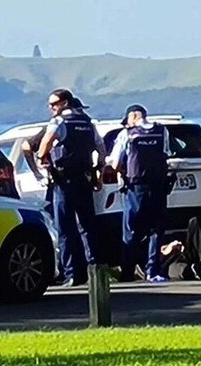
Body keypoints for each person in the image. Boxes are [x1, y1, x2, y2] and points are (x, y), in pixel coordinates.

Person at [37, 89, 106, 286]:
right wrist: (97, 173)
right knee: (87, 226)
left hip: (64, 179)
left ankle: (72, 274)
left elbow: (45, 145)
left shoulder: (59, 122)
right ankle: (95, 271)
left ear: (65, 103)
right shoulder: (87, 123)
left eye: (54, 104)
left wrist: (43, 162)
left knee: (65, 229)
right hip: (83, 178)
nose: (51, 108)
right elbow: (101, 150)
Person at [108, 104, 170, 283]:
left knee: (131, 231)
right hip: (158, 187)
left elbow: (114, 163)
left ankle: (128, 272)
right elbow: (166, 155)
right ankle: (153, 270)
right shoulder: (161, 131)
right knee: (156, 230)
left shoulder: (126, 134)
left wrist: (122, 173)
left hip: (135, 188)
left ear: (133, 116)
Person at [21, 97, 90, 216]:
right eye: (78, 110)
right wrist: (38, 171)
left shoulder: (76, 125)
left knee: (66, 219)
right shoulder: (58, 126)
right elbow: (27, 146)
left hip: (70, 178)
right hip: (61, 178)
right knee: (62, 218)